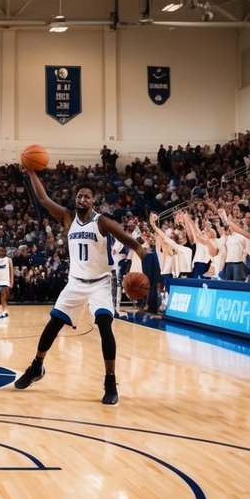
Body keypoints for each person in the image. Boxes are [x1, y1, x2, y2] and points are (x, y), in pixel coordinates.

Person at [16, 173, 145, 405]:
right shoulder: (68, 217)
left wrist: (150, 265)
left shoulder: (103, 222)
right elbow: (43, 199)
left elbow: (133, 243)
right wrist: (32, 171)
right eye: (79, 196)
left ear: (93, 201)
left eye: (87, 196)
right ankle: (37, 366)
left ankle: (110, 380)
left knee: (105, 325)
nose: (82, 199)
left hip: (101, 283)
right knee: (54, 323)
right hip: (75, 282)